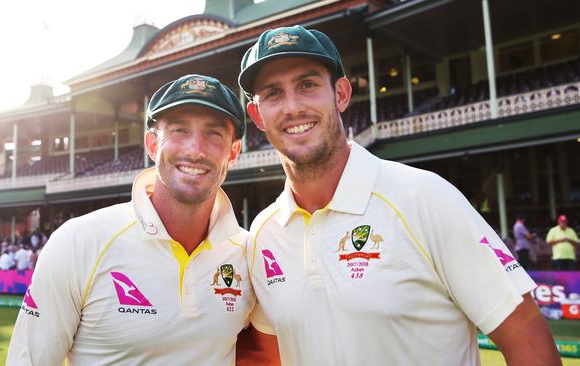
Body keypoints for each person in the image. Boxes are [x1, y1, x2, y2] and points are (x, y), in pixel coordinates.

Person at [238, 25, 560, 365]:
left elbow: (524, 331)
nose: (292, 108)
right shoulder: (264, 233)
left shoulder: (423, 196)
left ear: (341, 94)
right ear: (257, 116)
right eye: (273, 94)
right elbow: (270, 354)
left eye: (308, 85)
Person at [7, 74, 255, 365]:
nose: (194, 149)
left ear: (234, 151)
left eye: (213, 134)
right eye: (178, 131)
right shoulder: (79, 240)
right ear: (152, 144)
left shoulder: (250, 253)